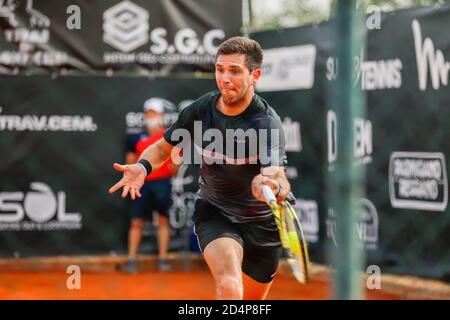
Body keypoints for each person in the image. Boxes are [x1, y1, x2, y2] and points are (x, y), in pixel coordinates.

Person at [110, 37, 292, 299]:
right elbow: (163, 148)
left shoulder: (266, 123)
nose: (224, 79)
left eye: (235, 71)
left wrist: (273, 185)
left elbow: (277, 174)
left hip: (261, 222)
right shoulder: (201, 110)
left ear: (255, 75)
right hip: (215, 212)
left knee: (253, 302)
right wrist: (143, 166)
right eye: (219, 70)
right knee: (229, 285)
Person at [123, 97, 179, 273]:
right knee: (136, 222)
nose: (152, 116)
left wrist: (165, 170)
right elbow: (130, 163)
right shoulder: (135, 138)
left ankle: (163, 259)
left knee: (163, 220)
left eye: (155, 113)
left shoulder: (169, 137)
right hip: (141, 186)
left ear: (162, 115)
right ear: (145, 116)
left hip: (163, 185)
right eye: (149, 113)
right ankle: (131, 260)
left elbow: (175, 166)